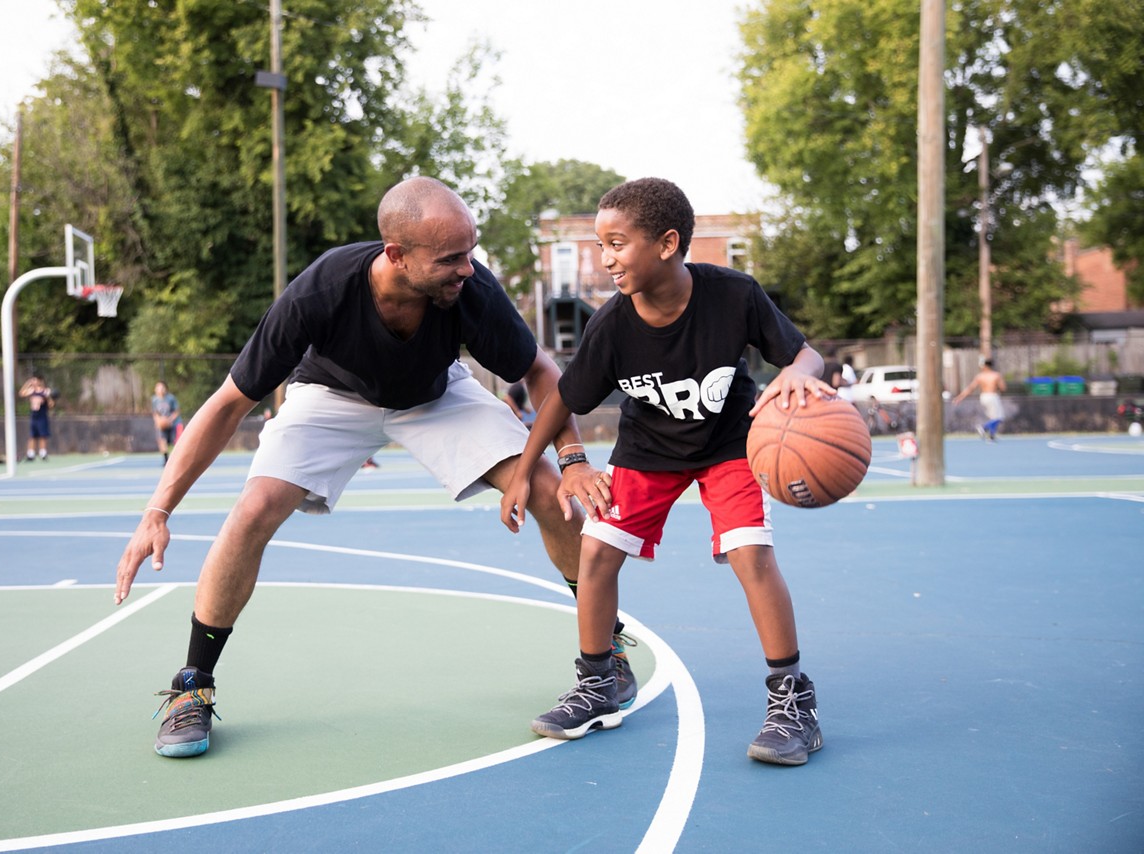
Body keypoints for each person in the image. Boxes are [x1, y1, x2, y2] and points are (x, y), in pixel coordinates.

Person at [114, 176, 632, 758]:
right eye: (451, 258)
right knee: (253, 508)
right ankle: (193, 687)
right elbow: (229, 403)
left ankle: (605, 655)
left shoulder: (470, 288)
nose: (468, 268)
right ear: (396, 255)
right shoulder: (322, 292)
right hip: (331, 393)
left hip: (436, 394)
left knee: (544, 489)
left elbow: (539, 369)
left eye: (471, 251)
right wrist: (158, 510)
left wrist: (573, 459)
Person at [501, 178, 830, 766]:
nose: (606, 260)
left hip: (729, 443)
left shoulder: (734, 295)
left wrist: (799, 372)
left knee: (749, 553)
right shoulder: (611, 324)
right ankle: (601, 683)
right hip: (648, 449)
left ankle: (792, 700)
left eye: (617, 244)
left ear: (668, 243)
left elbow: (805, 353)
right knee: (598, 551)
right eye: (600, 246)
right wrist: (529, 470)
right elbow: (561, 401)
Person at [954, 359, 1008, 440]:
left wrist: (960, 397)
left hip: (983, 397)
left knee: (993, 417)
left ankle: (991, 435)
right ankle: (983, 428)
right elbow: (1003, 388)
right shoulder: (996, 375)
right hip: (992, 396)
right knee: (999, 417)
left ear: (985, 366)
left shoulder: (980, 376)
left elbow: (970, 388)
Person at [18, 375, 53, 461]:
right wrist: (27, 383)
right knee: (32, 435)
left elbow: (51, 404)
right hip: (34, 415)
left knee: (43, 435)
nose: (33, 382)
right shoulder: (31, 391)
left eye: (35, 380)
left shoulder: (45, 391)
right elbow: (21, 393)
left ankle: (43, 453)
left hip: (42, 415)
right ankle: (31, 454)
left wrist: (47, 398)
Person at [150, 381, 184, 464]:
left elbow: (176, 411)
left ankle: (177, 459)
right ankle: (166, 459)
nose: (160, 390)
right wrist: (158, 421)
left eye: (162, 387)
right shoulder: (154, 400)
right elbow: (155, 413)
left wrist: (169, 420)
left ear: (165, 389)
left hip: (174, 423)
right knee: (162, 440)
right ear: (155, 389)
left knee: (177, 442)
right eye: (158, 388)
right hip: (163, 424)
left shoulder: (171, 398)